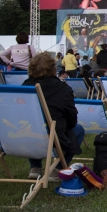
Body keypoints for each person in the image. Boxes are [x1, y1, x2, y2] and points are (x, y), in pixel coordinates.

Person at [24, 53, 84, 182]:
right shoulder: (62, 88)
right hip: (52, 136)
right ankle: (57, 169)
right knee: (78, 130)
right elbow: (71, 119)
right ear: (53, 68)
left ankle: (35, 167)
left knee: (34, 125)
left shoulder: (24, 87)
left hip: (24, 136)